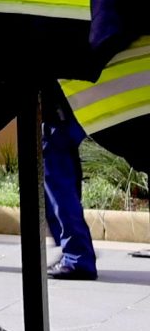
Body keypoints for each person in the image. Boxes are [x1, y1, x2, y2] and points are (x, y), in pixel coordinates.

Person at [44, 89, 98, 280]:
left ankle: (77, 256)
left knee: (59, 187)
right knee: (62, 183)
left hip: (57, 112)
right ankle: (75, 249)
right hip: (67, 109)